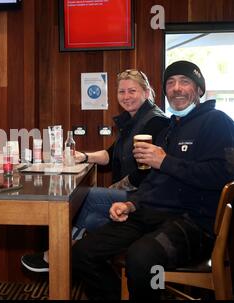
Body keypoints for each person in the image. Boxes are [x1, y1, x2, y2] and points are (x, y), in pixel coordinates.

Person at [72, 60, 234, 300]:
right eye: (171, 83)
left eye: (185, 82)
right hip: (153, 213)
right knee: (82, 253)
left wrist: (165, 161)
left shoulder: (218, 122)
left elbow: (224, 175)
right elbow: (153, 181)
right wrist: (131, 204)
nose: (176, 88)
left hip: (195, 223)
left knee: (141, 259)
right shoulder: (171, 127)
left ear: (199, 89)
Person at [21, 69, 169, 272]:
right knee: (90, 219)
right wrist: (83, 156)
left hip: (142, 198)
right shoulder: (132, 121)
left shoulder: (155, 122)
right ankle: (79, 252)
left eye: (132, 91)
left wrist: (115, 186)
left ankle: (59, 252)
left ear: (146, 92)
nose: (126, 96)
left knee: (86, 196)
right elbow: (110, 155)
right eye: (122, 92)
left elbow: (145, 171)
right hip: (132, 195)